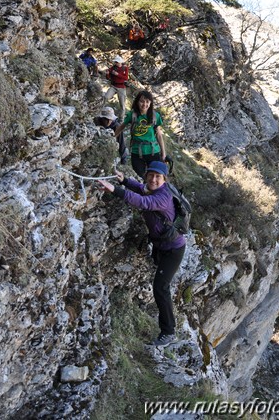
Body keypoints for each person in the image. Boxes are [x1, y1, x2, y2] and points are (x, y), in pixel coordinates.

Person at [98, 161, 186, 346]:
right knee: (159, 280)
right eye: (151, 175)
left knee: (161, 288)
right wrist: (125, 181)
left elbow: (144, 202)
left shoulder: (162, 197)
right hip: (161, 245)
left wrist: (116, 190)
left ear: (164, 179)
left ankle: (169, 332)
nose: (153, 179)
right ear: (146, 175)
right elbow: (141, 189)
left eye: (158, 177)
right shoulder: (151, 188)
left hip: (174, 249)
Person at [115, 90, 166, 178]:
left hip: (153, 151)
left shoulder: (155, 116)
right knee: (139, 178)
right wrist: (112, 138)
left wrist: (163, 152)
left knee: (155, 177)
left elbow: (158, 134)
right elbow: (121, 127)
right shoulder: (132, 115)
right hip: (136, 151)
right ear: (137, 102)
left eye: (147, 102)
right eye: (142, 101)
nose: (144, 104)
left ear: (150, 103)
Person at [104, 55, 129, 121]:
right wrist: (107, 73)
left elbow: (126, 78)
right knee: (106, 97)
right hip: (113, 86)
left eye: (117, 62)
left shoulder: (125, 68)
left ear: (120, 62)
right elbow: (108, 78)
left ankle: (121, 119)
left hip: (121, 87)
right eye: (115, 62)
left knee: (122, 105)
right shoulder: (113, 68)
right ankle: (102, 111)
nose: (116, 63)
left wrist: (117, 74)